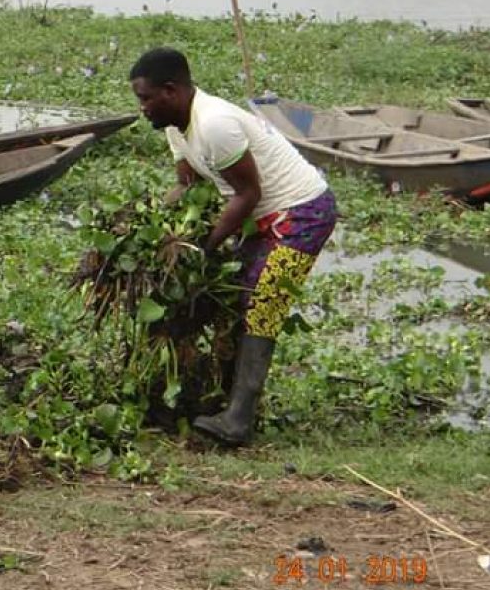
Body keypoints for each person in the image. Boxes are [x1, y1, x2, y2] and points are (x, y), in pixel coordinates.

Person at [129, 48, 338, 446]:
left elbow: (247, 193)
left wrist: (202, 247)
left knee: (262, 303)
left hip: (302, 212)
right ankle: (221, 400)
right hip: (260, 218)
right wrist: (156, 228)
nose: (142, 108)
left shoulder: (215, 124)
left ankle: (239, 420)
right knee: (233, 299)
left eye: (145, 98)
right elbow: (188, 185)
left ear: (170, 91)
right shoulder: (176, 126)